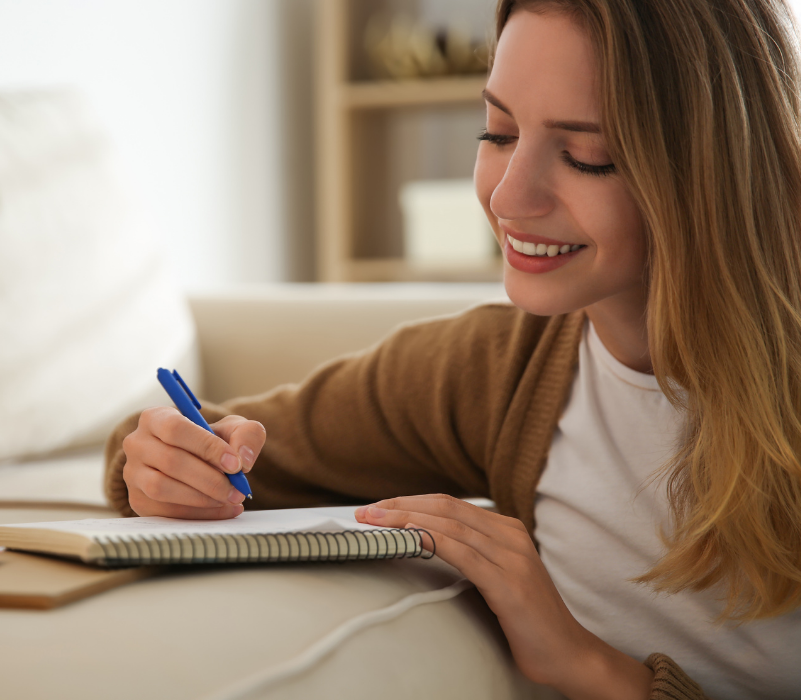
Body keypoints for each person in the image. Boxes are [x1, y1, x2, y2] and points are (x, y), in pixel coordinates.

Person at [103, 1, 801, 697]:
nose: (508, 195)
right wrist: (169, 466)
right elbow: (209, 446)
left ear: (714, 168)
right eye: (497, 131)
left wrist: (590, 667)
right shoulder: (495, 374)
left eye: (587, 156)